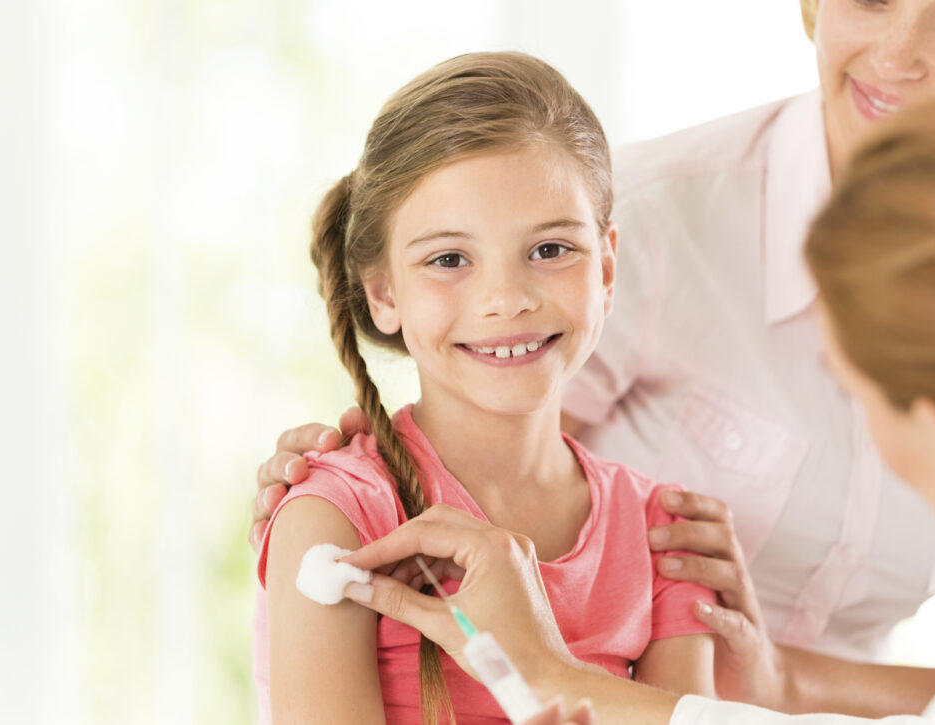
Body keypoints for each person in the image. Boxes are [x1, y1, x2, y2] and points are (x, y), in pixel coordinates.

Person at [253, 0, 935, 716]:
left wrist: (768, 683)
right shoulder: (670, 219)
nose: (898, 54)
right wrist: (335, 485)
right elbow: (478, 427)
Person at [254, 51, 719, 725]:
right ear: (383, 292)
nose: (506, 299)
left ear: (608, 268)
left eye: (550, 249)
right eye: (449, 259)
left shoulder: (663, 535)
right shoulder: (337, 520)